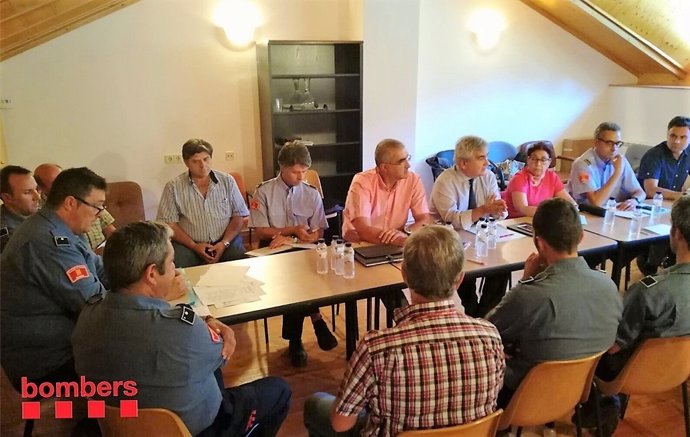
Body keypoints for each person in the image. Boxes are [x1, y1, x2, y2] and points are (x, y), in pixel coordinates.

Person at [72, 221, 291, 437]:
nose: (175, 270)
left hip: (117, 425)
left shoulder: (87, 316)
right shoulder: (182, 329)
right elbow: (222, 352)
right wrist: (218, 328)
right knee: (279, 390)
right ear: (151, 274)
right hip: (194, 428)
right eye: (171, 263)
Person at [303, 225, 505, 437]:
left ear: (404, 275)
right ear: (460, 279)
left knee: (315, 404)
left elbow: (340, 423)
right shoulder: (490, 336)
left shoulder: (377, 348)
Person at [486, 198, 622, 409]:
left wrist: (525, 281)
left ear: (539, 242)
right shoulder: (609, 286)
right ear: (581, 237)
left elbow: (486, 332)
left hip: (525, 396)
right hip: (580, 388)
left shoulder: (529, 295)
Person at [0, 167, 109, 389]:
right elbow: (95, 308)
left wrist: (143, 275)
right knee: (139, 368)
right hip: (47, 366)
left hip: (67, 346)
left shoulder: (62, 230)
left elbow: (102, 270)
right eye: (97, 206)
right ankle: (100, 420)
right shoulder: (47, 242)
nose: (99, 214)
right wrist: (149, 295)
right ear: (70, 203)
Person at [249, 142, 338, 367]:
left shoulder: (311, 193)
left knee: (302, 275)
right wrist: (290, 231)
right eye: (295, 172)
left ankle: (296, 340)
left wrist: (304, 237)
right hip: (273, 251)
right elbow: (260, 231)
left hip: (302, 249)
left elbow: (318, 230)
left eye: (304, 172)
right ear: (282, 167)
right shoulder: (264, 191)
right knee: (294, 281)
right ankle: (314, 320)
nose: (301, 177)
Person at [598, 196, 690, 381]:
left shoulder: (648, 291)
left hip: (636, 372)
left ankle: (605, 405)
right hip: (680, 369)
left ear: (677, 233)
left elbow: (613, 345)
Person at [430, 135, 509, 317]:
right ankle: (475, 314)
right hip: (450, 238)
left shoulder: (488, 177)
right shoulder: (445, 180)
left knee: (502, 267)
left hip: (478, 233)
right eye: (481, 158)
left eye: (487, 156)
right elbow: (451, 218)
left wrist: (498, 210)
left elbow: (497, 208)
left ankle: (486, 316)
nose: (487, 163)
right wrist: (484, 209)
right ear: (464, 163)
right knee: (465, 272)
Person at [157, 138, 249, 267]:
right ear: (186, 162)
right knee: (182, 267)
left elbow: (238, 215)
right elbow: (170, 224)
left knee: (239, 262)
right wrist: (194, 246)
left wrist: (224, 243)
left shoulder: (227, 181)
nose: (203, 165)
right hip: (189, 244)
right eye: (196, 161)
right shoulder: (173, 187)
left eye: (206, 159)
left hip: (225, 240)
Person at [342, 138, 432, 246]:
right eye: (401, 161)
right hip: (361, 243)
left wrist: (406, 233)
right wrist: (401, 241)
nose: (408, 165)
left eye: (408, 158)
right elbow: (363, 229)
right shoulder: (362, 182)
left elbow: (424, 219)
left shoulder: (413, 180)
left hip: (396, 242)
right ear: (384, 167)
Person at [636, 116, 690, 275]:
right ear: (667, 134)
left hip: (670, 206)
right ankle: (650, 265)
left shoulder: (688, 154)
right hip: (647, 208)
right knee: (668, 229)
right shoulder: (655, 155)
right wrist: (680, 196)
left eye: (683, 137)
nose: (677, 141)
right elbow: (651, 190)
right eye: (673, 136)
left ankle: (677, 267)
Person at [34, 162, 116, 253]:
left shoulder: (89, 199)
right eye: (56, 183)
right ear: (41, 188)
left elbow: (112, 233)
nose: (64, 185)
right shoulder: (46, 217)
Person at [567, 121, 646, 209]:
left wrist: (634, 200)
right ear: (596, 143)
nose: (614, 148)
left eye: (618, 143)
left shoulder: (620, 160)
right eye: (609, 143)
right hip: (588, 214)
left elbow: (640, 192)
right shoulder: (582, 164)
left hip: (614, 212)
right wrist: (617, 173)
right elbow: (596, 203)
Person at [505, 141, 576, 217]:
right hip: (517, 222)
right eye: (534, 159)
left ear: (549, 162)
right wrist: (551, 214)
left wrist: (574, 207)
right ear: (528, 160)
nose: (538, 164)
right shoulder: (519, 179)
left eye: (543, 160)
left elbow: (568, 201)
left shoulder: (552, 177)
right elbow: (523, 209)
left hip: (542, 220)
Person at [0, 165, 40, 250]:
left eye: (36, 189)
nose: (37, 197)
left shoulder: (43, 214)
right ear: (7, 198)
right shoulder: (10, 236)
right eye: (28, 192)